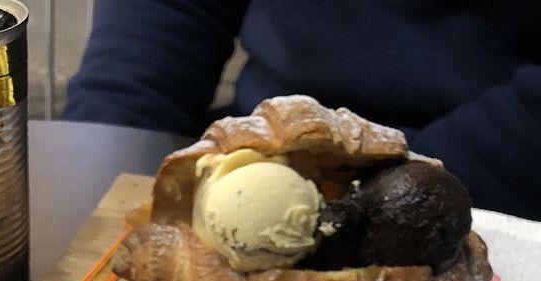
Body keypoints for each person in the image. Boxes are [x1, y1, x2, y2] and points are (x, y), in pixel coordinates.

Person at [63, 1, 541, 220]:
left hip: (500, 201)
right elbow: (167, 14)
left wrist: (365, 199)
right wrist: (109, 147)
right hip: (256, 158)